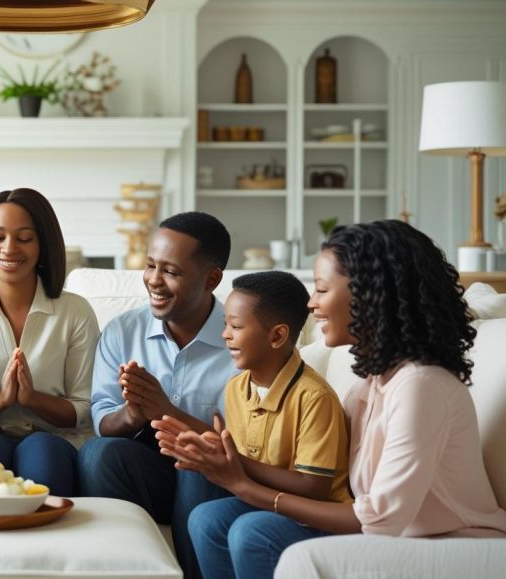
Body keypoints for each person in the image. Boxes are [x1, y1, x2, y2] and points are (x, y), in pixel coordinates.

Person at [157, 220, 506, 578]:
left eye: (322, 290)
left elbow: (380, 517)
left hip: (453, 543)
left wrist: (243, 485)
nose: (312, 304)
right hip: (397, 533)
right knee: (210, 519)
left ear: (369, 295)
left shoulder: (421, 384)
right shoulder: (370, 381)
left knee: (255, 532)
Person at [153, 270, 351, 579]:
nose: (225, 335)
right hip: (264, 502)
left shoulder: (315, 398)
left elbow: (315, 487)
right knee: (204, 518)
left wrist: (233, 461)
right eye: (225, 325)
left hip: (315, 517)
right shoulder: (236, 388)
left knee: (248, 530)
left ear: (277, 336)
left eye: (236, 326)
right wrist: (211, 453)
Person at [77, 211, 239, 579]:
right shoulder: (123, 331)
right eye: (151, 265)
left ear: (211, 279)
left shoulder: (241, 338)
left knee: (198, 459)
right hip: (146, 470)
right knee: (97, 453)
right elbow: (102, 419)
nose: (154, 280)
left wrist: (166, 411)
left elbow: (245, 445)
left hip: (212, 476)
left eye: (171, 271)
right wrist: (134, 413)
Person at [0, 188, 99, 496]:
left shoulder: (75, 312)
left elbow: (84, 407)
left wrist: (33, 399)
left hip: (54, 438)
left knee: (42, 453)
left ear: (43, 244)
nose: (9, 249)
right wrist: (2, 400)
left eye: (24, 238)